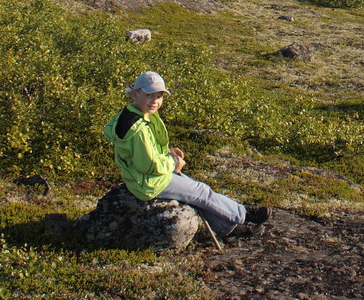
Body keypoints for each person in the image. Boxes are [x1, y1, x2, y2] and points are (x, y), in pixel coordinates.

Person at [103, 71, 273, 240]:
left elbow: (145, 153)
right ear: (135, 94)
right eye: (149, 95)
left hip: (141, 178)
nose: (155, 101)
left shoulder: (133, 115)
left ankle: (227, 228)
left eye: (159, 96)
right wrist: (173, 162)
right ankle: (243, 214)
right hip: (148, 182)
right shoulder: (138, 128)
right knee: (201, 192)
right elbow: (149, 166)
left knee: (197, 191)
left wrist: (167, 153)